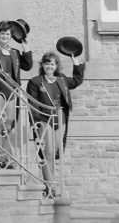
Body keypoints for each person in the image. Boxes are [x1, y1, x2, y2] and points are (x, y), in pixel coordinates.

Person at [26, 51, 84, 194]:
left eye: (52, 63)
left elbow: (77, 80)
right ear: (42, 65)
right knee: (48, 152)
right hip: (44, 120)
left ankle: (51, 183)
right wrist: (35, 122)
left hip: (61, 120)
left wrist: (76, 63)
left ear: (56, 65)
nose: (49, 66)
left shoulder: (61, 79)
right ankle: (50, 186)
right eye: (47, 63)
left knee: (56, 153)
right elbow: (32, 104)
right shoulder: (35, 81)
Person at [0, 20, 32, 167]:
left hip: (11, 91)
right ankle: (4, 158)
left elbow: (28, 66)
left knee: (8, 126)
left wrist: (26, 49)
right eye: (2, 33)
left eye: (8, 34)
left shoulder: (15, 52)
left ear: (11, 36)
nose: (5, 36)